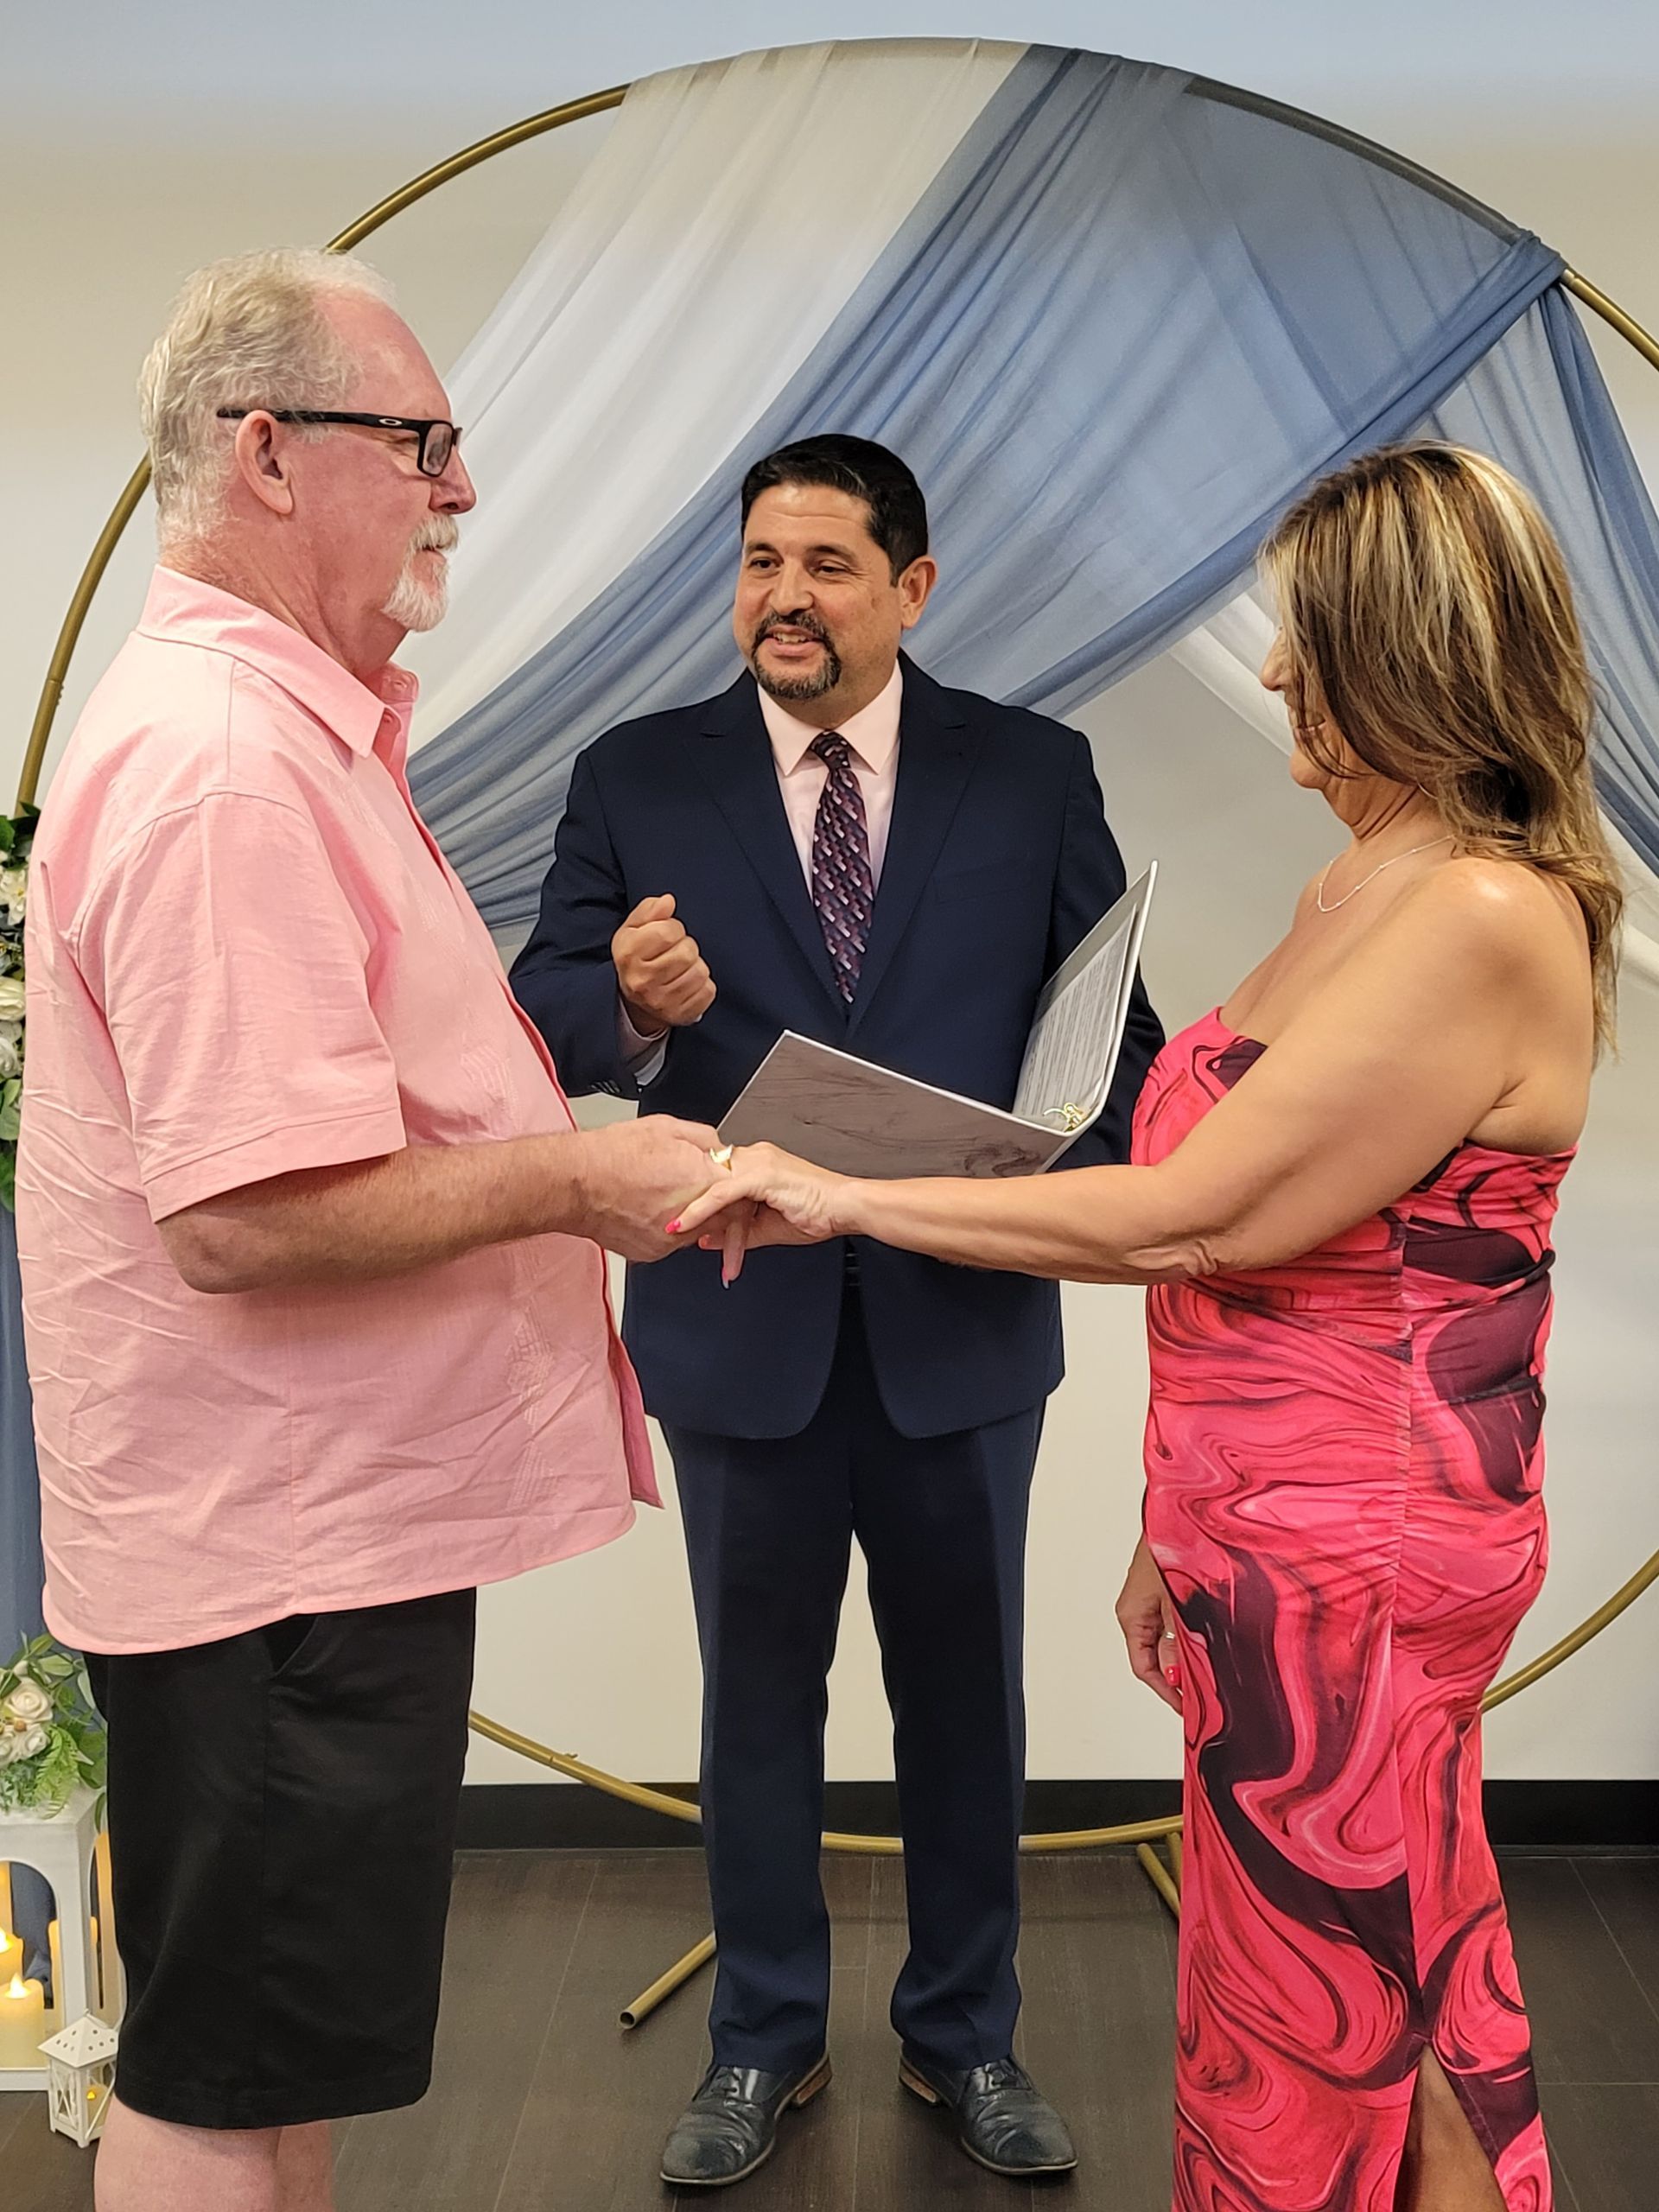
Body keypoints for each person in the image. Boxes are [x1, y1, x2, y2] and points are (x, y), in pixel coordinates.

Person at [671, 443, 1622, 2212]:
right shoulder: (1365, 882)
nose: (1270, 672)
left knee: (1333, 2012)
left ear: (1409, 649)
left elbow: (1197, 1211)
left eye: (1307, 636)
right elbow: (1272, 1272)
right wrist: (1171, 1521)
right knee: (1348, 1981)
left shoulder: (1480, 908)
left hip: (1367, 1546)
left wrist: (846, 1188)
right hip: (1276, 1527)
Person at [15, 247, 721, 2212]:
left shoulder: (283, 724)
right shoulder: (224, 762)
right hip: (276, 1553)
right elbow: (245, 1214)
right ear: (266, 452)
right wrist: (586, 1174)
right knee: (218, 2071)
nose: (459, 489)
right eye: (420, 440)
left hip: (308, 1532)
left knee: (272, 2061)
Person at [511, 434, 1163, 2186]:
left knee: (969, 1702)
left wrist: (1057, 1163)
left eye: (823, 565)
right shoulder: (639, 772)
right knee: (754, 1702)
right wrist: (627, 1009)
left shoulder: (1031, 773)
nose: (781, 599)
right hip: (741, 1326)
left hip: (963, 1320)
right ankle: (761, 2041)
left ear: (912, 587)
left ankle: (970, 2037)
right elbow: (545, 1011)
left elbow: (1123, 1042)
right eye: (757, 564)